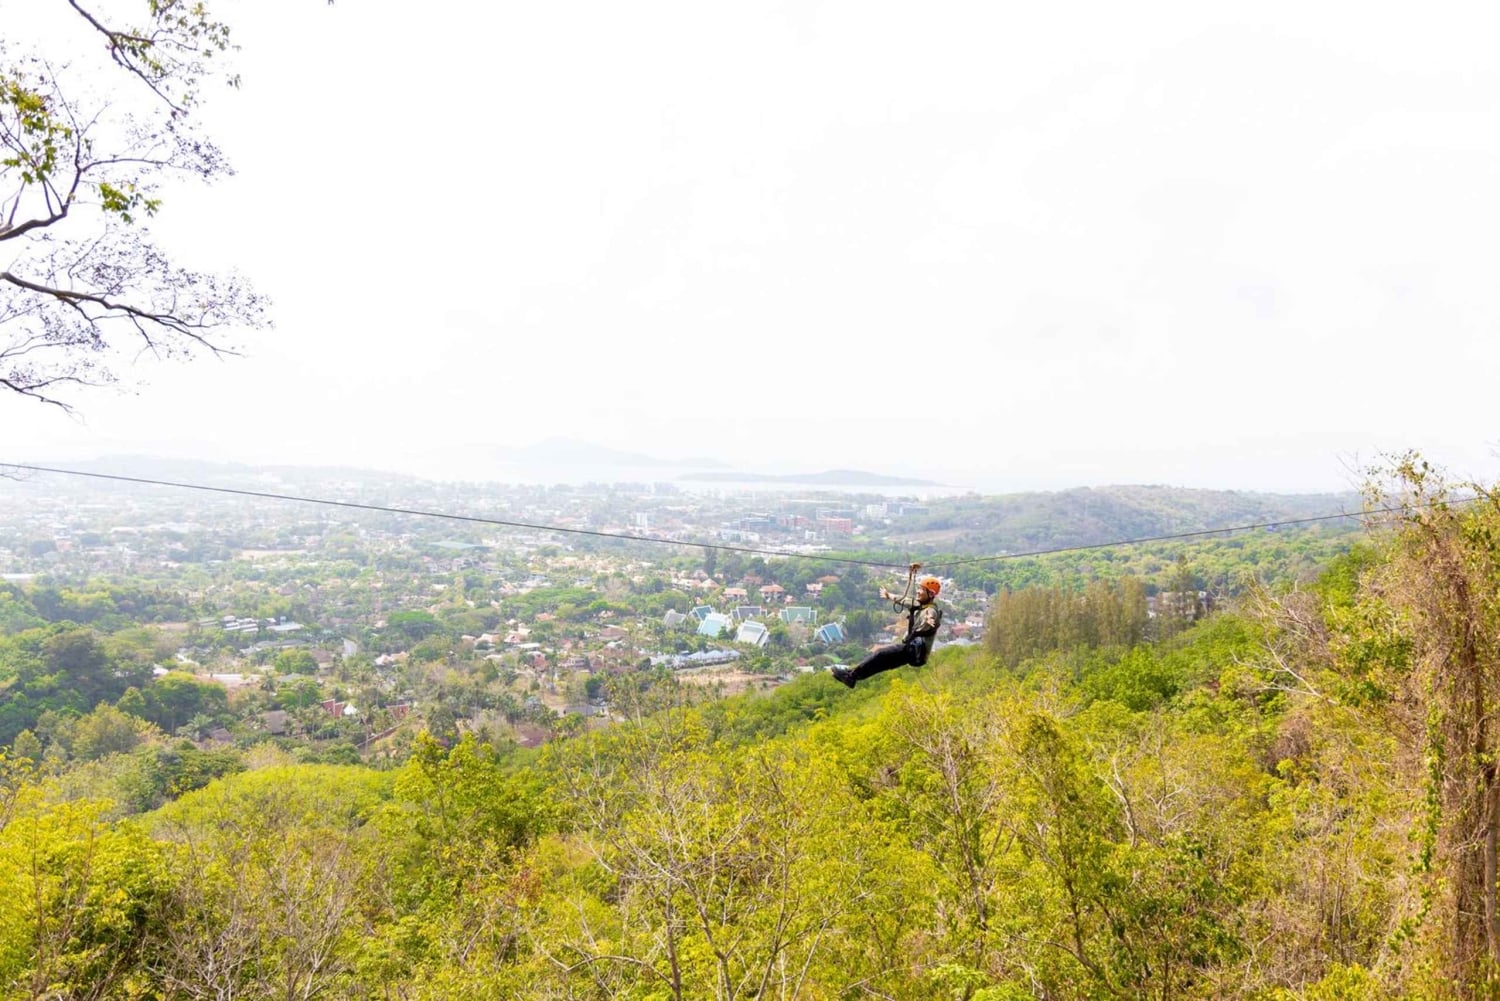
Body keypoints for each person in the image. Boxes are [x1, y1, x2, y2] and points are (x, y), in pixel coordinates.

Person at [832, 568, 943, 688]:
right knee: (881, 663)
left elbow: (931, 617)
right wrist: (888, 595)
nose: (918, 591)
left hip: (914, 651)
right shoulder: (920, 605)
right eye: (919, 588)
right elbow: (905, 601)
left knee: (880, 654)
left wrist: (930, 620)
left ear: (931, 594)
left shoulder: (930, 610)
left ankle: (851, 676)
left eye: (921, 589)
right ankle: (852, 677)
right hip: (913, 652)